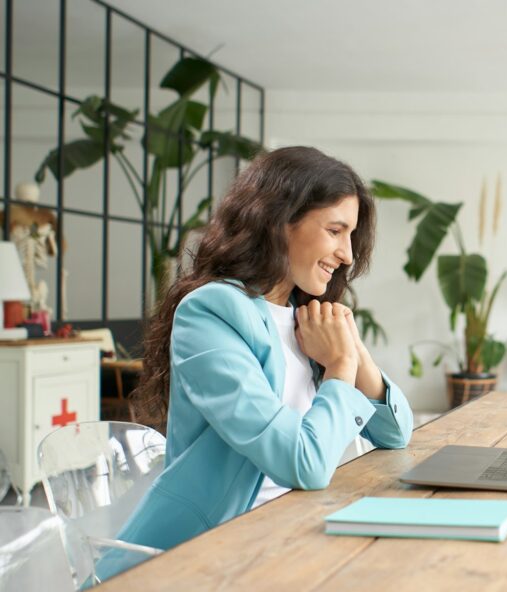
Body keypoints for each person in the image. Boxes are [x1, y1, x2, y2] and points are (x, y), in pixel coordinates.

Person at [117, 146, 413, 555]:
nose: (347, 254)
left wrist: (350, 344)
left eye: (350, 235)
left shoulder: (304, 314)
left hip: (298, 526)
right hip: (220, 548)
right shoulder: (211, 312)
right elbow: (303, 464)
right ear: (279, 222)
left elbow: (395, 432)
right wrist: (341, 365)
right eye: (334, 231)